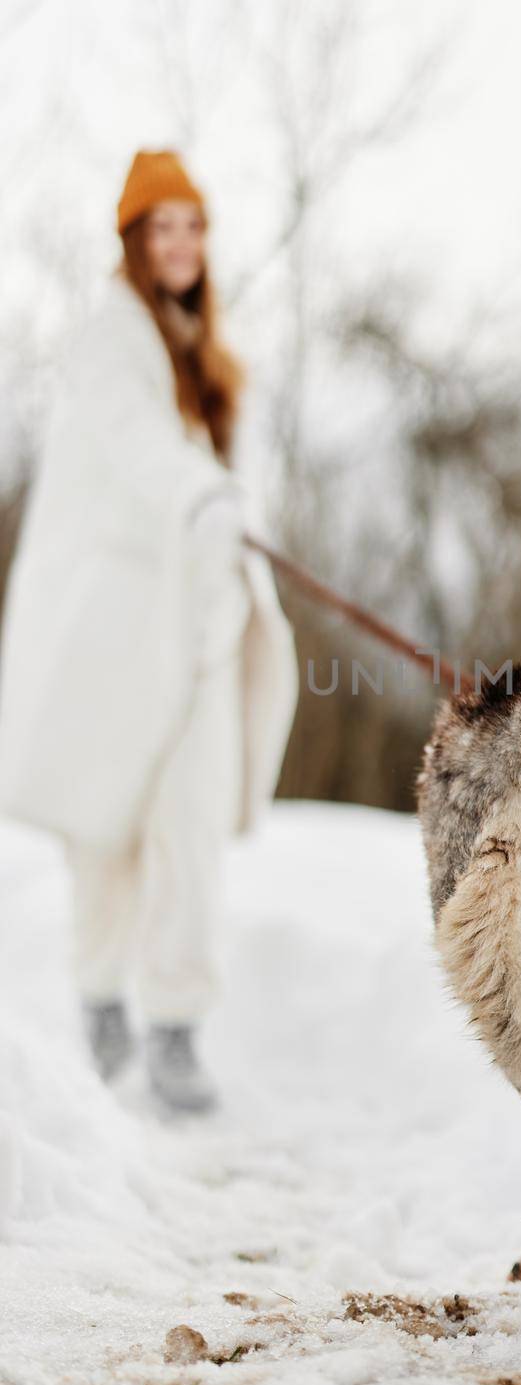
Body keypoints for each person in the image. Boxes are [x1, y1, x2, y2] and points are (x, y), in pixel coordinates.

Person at [0, 150, 299, 1114]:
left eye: (193, 226)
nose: (180, 243)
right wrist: (201, 495)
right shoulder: (108, 340)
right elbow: (138, 452)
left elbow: (233, 482)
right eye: (161, 226)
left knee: (192, 825)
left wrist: (227, 518)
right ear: (133, 240)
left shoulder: (208, 355)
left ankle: (174, 1027)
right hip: (117, 629)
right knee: (106, 828)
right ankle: (99, 1004)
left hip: (202, 628)